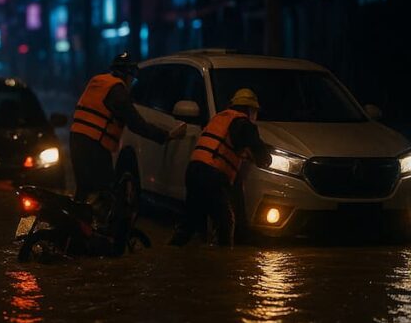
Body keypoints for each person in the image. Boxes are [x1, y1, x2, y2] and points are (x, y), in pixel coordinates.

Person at [69, 52, 185, 199]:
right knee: (105, 189)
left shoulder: (98, 81)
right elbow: (137, 124)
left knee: (84, 188)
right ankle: (99, 220)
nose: (132, 81)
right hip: (95, 145)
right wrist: (167, 135)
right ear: (128, 74)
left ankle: (79, 219)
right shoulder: (118, 91)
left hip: (76, 139)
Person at [169, 88, 272, 247]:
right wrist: (265, 159)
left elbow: (226, 145)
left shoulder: (219, 118)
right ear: (250, 109)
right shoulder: (244, 123)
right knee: (226, 223)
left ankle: (175, 251)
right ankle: (223, 265)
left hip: (194, 171)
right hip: (212, 175)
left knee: (190, 221)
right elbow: (260, 153)